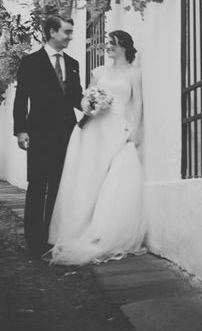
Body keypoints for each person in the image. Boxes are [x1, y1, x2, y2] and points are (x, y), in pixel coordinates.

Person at [47, 30, 146, 265]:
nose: (108, 47)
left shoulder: (134, 73)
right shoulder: (98, 72)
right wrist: (90, 105)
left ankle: (105, 231)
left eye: (112, 43)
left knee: (116, 177)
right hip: (94, 129)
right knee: (89, 177)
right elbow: (84, 98)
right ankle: (78, 227)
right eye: (107, 44)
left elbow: (138, 102)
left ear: (123, 46)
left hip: (117, 128)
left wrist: (136, 129)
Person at [13, 15, 85, 260]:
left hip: (67, 134)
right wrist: (21, 130)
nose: (70, 36)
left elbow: (76, 96)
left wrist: (91, 103)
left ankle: (52, 238)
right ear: (52, 32)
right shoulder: (30, 62)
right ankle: (34, 243)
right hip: (39, 134)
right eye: (66, 32)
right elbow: (21, 97)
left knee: (58, 186)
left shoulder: (73, 63)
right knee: (37, 186)